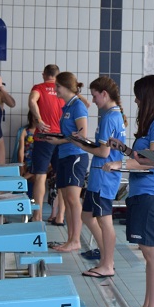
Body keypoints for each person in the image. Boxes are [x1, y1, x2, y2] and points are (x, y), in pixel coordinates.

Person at [107, 75, 154, 307]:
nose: (136, 100)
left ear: (149, 96)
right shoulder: (153, 124)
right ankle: (148, 306)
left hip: (153, 194)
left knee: (153, 254)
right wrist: (125, 150)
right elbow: (145, 157)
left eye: (138, 96)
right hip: (143, 193)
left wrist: (121, 163)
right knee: (148, 254)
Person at [77, 76, 127, 278]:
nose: (93, 100)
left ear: (104, 94)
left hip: (103, 176)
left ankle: (107, 263)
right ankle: (106, 257)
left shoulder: (109, 118)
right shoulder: (114, 115)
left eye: (95, 96)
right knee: (87, 216)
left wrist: (80, 145)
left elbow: (104, 152)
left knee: (105, 220)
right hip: (101, 176)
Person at [44, 72, 90, 253]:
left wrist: (59, 141)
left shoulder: (78, 106)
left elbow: (82, 134)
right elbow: (70, 133)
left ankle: (76, 240)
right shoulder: (67, 106)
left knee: (73, 199)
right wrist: (57, 138)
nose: (55, 90)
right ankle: (70, 239)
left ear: (66, 87)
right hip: (64, 155)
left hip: (75, 155)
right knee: (67, 199)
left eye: (58, 86)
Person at [28, 64, 65, 222]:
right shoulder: (63, 90)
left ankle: (37, 216)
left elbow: (32, 101)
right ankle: (60, 216)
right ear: (57, 75)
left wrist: (39, 120)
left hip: (44, 137)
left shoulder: (39, 88)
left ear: (44, 74)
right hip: (61, 137)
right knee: (61, 178)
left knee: (40, 177)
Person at [16, 109, 38, 192]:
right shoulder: (25, 132)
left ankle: (22, 179)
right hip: (28, 162)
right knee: (34, 177)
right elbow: (21, 150)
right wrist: (21, 166)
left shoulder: (43, 132)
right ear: (31, 117)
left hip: (40, 161)